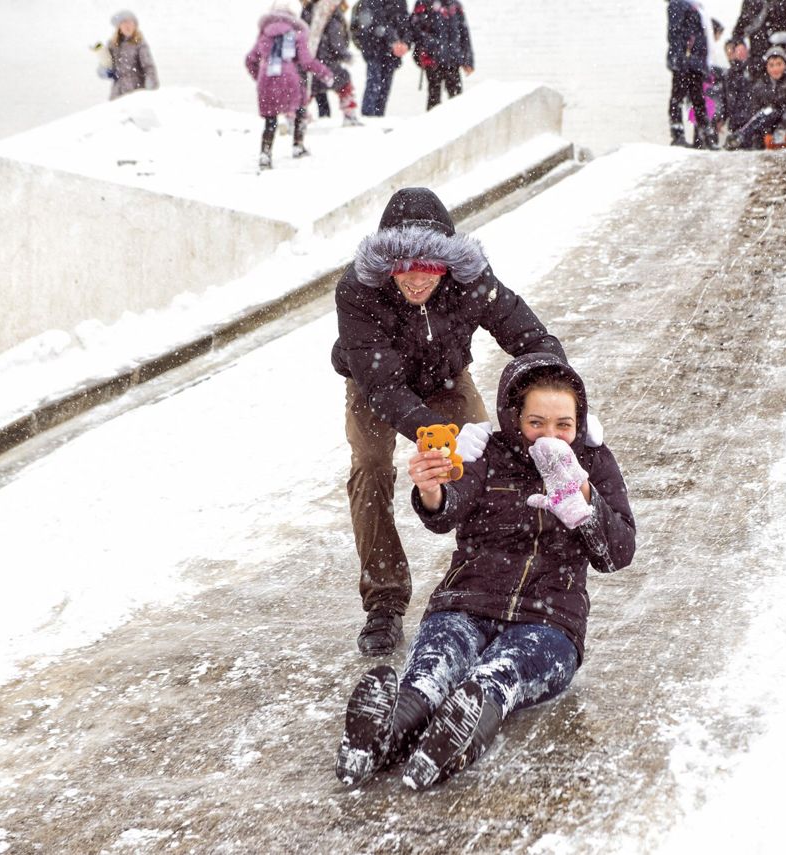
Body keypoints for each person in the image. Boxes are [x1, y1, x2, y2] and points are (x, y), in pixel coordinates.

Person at [335, 352, 637, 790]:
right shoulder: (485, 452)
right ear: (515, 417)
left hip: (549, 622)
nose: (548, 436)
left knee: (494, 678)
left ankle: (452, 741)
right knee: (430, 674)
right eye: (536, 423)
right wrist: (432, 489)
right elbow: (444, 513)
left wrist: (586, 503)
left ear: (579, 424)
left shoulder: (594, 463)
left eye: (562, 426)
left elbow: (617, 553)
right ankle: (379, 737)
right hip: (466, 603)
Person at [333, 187, 583, 657]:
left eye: (428, 267)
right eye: (403, 267)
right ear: (387, 263)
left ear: (447, 263)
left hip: (446, 376)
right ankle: (384, 603)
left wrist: (558, 395)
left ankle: (487, 582)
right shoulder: (357, 290)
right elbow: (384, 388)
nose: (415, 279)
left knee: (490, 462)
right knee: (370, 465)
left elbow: (529, 336)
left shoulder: (471, 280)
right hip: (374, 385)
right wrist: (437, 434)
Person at [245, 1, 335, 170]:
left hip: (267, 79)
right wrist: (325, 73)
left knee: (270, 120)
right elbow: (307, 61)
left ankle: (265, 154)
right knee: (300, 109)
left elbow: (250, 60)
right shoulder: (296, 33)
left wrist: (258, 76)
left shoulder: (264, 34)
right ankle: (298, 145)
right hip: (289, 78)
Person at [726, 46, 786, 149]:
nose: (775, 69)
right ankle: (741, 137)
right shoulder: (760, 85)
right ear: (766, 67)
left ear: (785, 65)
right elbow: (755, 111)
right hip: (770, 125)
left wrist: (783, 127)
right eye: (771, 65)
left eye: (779, 64)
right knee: (766, 114)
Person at [667, 0, 720, 148]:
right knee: (679, 97)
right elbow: (675, 32)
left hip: (695, 61)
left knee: (698, 99)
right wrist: (681, 57)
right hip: (686, 60)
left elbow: (700, 35)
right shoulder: (679, 4)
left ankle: (706, 136)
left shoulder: (694, 5)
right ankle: (678, 134)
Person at [302, 0, 363, 126]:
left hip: (310, 62)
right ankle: (349, 115)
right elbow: (336, 40)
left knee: (306, 90)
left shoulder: (308, 11)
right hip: (328, 63)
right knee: (345, 84)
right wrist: (345, 55)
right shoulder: (331, 13)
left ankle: (299, 116)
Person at [410, 0, 475, 111]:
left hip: (453, 61)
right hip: (432, 61)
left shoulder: (455, 6)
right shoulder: (423, 4)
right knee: (434, 100)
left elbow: (464, 34)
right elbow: (415, 30)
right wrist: (432, 47)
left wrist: (468, 60)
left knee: (457, 99)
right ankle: (432, 127)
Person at [350, 0, 411, 117]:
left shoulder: (400, 3)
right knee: (374, 85)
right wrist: (393, 40)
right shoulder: (369, 3)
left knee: (384, 89)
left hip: (391, 53)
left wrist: (405, 43)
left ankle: (378, 118)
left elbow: (405, 23)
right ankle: (369, 118)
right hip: (374, 49)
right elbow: (375, 22)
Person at [104, 10, 158, 100]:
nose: (127, 25)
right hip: (117, 93)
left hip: (136, 91)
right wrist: (107, 71)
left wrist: (150, 91)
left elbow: (149, 68)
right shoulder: (113, 45)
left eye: (130, 22)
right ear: (119, 26)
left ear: (135, 25)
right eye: (124, 22)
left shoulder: (140, 44)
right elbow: (107, 66)